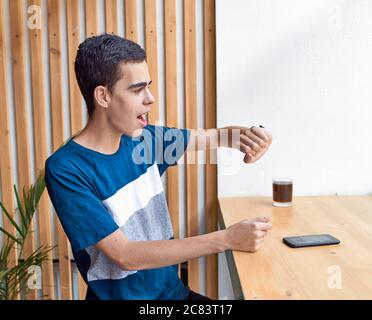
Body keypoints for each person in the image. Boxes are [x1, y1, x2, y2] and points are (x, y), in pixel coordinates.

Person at [45, 34, 273, 300]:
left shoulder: (145, 141)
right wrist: (227, 239)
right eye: (137, 89)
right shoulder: (67, 169)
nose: (150, 98)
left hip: (172, 295)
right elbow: (125, 255)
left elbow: (219, 136)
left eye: (149, 87)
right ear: (103, 96)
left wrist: (254, 136)